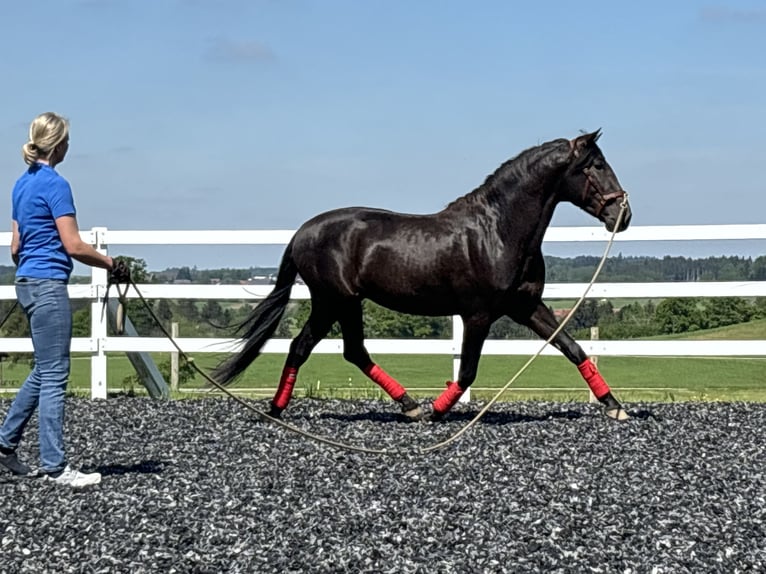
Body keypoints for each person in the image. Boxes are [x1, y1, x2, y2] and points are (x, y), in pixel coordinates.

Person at [0, 112, 118, 487]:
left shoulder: (20, 185)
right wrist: (109, 262)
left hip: (26, 281)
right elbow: (74, 245)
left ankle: (4, 446)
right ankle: (55, 465)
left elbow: (16, 247)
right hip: (49, 284)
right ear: (60, 144)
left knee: (43, 369)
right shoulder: (57, 185)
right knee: (55, 373)